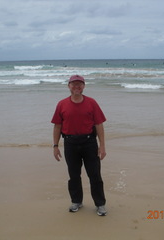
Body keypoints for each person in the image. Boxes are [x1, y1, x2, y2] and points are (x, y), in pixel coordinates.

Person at [51, 75, 107, 216]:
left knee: (95, 175)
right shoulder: (62, 104)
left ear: (84, 86)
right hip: (70, 144)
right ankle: (76, 201)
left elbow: (99, 124)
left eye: (80, 84)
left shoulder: (92, 103)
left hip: (89, 143)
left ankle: (100, 204)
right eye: (74, 84)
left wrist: (102, 146)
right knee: (74, 175)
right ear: (68, 86)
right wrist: (55, 146)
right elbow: (57, 126)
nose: (77, 86)